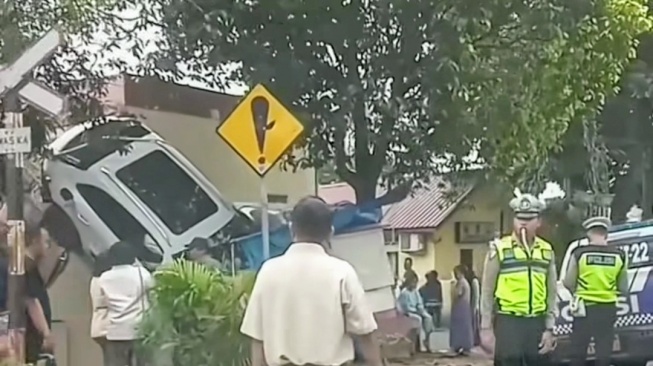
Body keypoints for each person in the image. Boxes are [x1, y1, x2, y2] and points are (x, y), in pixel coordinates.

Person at [240, 196, 382, 366]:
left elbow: (258, 339)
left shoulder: (267, 272)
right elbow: (365, 333)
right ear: (330, 231)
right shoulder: (342, 273)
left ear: (292, 229)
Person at [480, 193, 557, 366]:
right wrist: (485, 327)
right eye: (519, 218)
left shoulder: (546, 250)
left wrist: (549, 328)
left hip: (536, 321)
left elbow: (551, 292)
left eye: (529, 219)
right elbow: (487, 291)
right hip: (509, 322)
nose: (523, 223)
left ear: (538, 222)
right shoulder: (500, 248)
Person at [562, 216, 628, 366]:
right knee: (604, 352)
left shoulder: (580, 254)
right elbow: (623, 287)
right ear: (606, 233)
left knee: (578, 351)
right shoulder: (619, 255)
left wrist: (577, 292)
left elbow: (568, 281)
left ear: (589, 234)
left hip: (584, 308)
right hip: (607, 308)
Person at [99, 241, 154, 366]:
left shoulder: (104, 277)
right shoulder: (142, 273)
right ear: (132, 257)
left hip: (115, 331)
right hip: (140, 329)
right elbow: (153, 293)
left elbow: (103, 302)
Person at [24, 221, 54, 364]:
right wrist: (45, 333)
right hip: (30, 335)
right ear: (36, 240)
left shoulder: (32, 267)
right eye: (46, 242)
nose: (48, 247)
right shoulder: (26, 268)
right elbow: (32, 301)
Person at [397, 276, 434, 352]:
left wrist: (421, 309)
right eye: (413, 283)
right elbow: (405, 307)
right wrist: (416, 311)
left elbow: (419, 302)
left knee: (428, 318)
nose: (414, 285)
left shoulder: (415, 292)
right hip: (408, 313)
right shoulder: (404, 293)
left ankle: (427, 339)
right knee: (418, 319)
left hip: (417, 310)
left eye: (415, 283)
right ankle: (418, 342)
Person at [90, 252, 112, 366]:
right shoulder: (105, 281)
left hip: (98, 325)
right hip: (106, 326)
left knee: (108, 358)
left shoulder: (94, 280)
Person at [450, 264, 474, 355]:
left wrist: (452, 287)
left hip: (460, 307)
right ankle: (464, 347)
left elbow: (457, 294)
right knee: (464, 327)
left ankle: (458, 345)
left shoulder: (461, 283)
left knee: (459, 327)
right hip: (464, 307)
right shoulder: (465, 282)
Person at [465, 267, 481, 346]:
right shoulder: (470, 281)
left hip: (475, 306)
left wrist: (475, 307)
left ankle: (476, 340)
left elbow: (476, 295)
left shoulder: (474, 281)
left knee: (475, 324)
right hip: (471, 305)